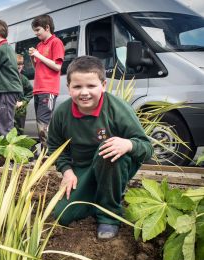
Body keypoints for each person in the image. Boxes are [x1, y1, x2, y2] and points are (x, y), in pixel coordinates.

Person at [47, 56, 153, 240]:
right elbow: (55, 147)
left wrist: (128, 144)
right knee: (62, 216)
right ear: (69, 87)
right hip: (82, 170)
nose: (84, 92)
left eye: (91, 86)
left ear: (103, 85)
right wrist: (67, 171)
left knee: (108, 148)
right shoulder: (62, 113)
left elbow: (146, 147)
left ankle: (109, 215)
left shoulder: (117, 108)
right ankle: (97, 196)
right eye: (77, 87)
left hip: (113, 165)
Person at [29, 14, 65, 151]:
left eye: (38, 30)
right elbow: (37, 67)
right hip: (38, 89)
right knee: (41, 123)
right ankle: (46, 153)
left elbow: (57, 66)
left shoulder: (56, 42)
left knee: (43, 123)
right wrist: (33, 58)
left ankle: (50, 154)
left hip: (48, 89)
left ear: (47, 27)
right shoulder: (39, 45)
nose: (36, 33)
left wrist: (38, 55)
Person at [15, 54, 33, 134]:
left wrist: (22, 102)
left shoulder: (24, 79)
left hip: (20, 111)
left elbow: (31, 92)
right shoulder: (6, 78)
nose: (19, 66)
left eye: (20, 64)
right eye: (17, 64)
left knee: (19, 131)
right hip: (8, 110)